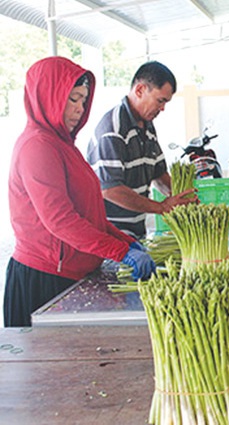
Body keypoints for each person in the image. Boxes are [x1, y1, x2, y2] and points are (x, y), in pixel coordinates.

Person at [4, 57, 156, 327]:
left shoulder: (63, 144)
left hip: (71, 273)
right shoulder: (37, 146)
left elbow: (88, 215)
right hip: (45, 278)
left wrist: (124, 241)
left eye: (83, 101)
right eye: (72, 99)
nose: (79, 109)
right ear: (48, 96)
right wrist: (120, 251)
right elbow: (61, 221)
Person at [87, 61, 196, 239]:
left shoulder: (148, 127)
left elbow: (158, 173)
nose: (163, 109)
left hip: (136, 233)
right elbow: (110, 189)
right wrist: (161, 207)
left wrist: (180, 196)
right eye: (160, 101)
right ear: (140, 90)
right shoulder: (113, 129)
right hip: (111, 236)